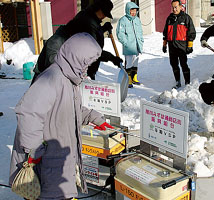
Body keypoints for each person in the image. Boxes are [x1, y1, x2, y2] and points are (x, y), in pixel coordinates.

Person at [9, 33, 114, 199]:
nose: (87, 68)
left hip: (58, 158)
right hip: (46, 161)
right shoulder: (52, 78)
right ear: (76, 58)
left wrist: (96, 118)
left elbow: (71, 109)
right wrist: (34, 151)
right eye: (86, 63)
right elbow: (28, 112)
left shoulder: (68, 79)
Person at [32, 0, 122, 82]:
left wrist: (102, 29)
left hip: (79, 74)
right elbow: (90, 50)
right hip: (46, 81)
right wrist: (111, 57)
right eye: (104, 13)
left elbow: (91, 43)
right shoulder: (57, 44)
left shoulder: (87, 21)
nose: (105, 16)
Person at [162, 0, 196, 89]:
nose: (174, 9)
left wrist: (190, 45)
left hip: (182, 46)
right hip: (172, 46)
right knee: (174, 64)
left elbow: (191, 33)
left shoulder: (186, 18)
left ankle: (187, 82)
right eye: (173, 7)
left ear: (181, 7)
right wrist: (164, 45)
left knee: (183, 64)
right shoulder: (170, 18)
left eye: (176, 7)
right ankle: (177, 82)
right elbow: (165, 33)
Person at [116, 2, 144, 88]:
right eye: (132, 10)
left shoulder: (137, 20)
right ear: (128, 10)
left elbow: (140, 32)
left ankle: (134, 77)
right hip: (129, 46)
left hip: (137, 45)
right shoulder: (123, 20)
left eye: (135, 10)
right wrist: (126, 43)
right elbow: (120, 34)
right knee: (128, 63)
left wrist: (141, 41)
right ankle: (128, 79)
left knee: (135, 62)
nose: (133, 12)